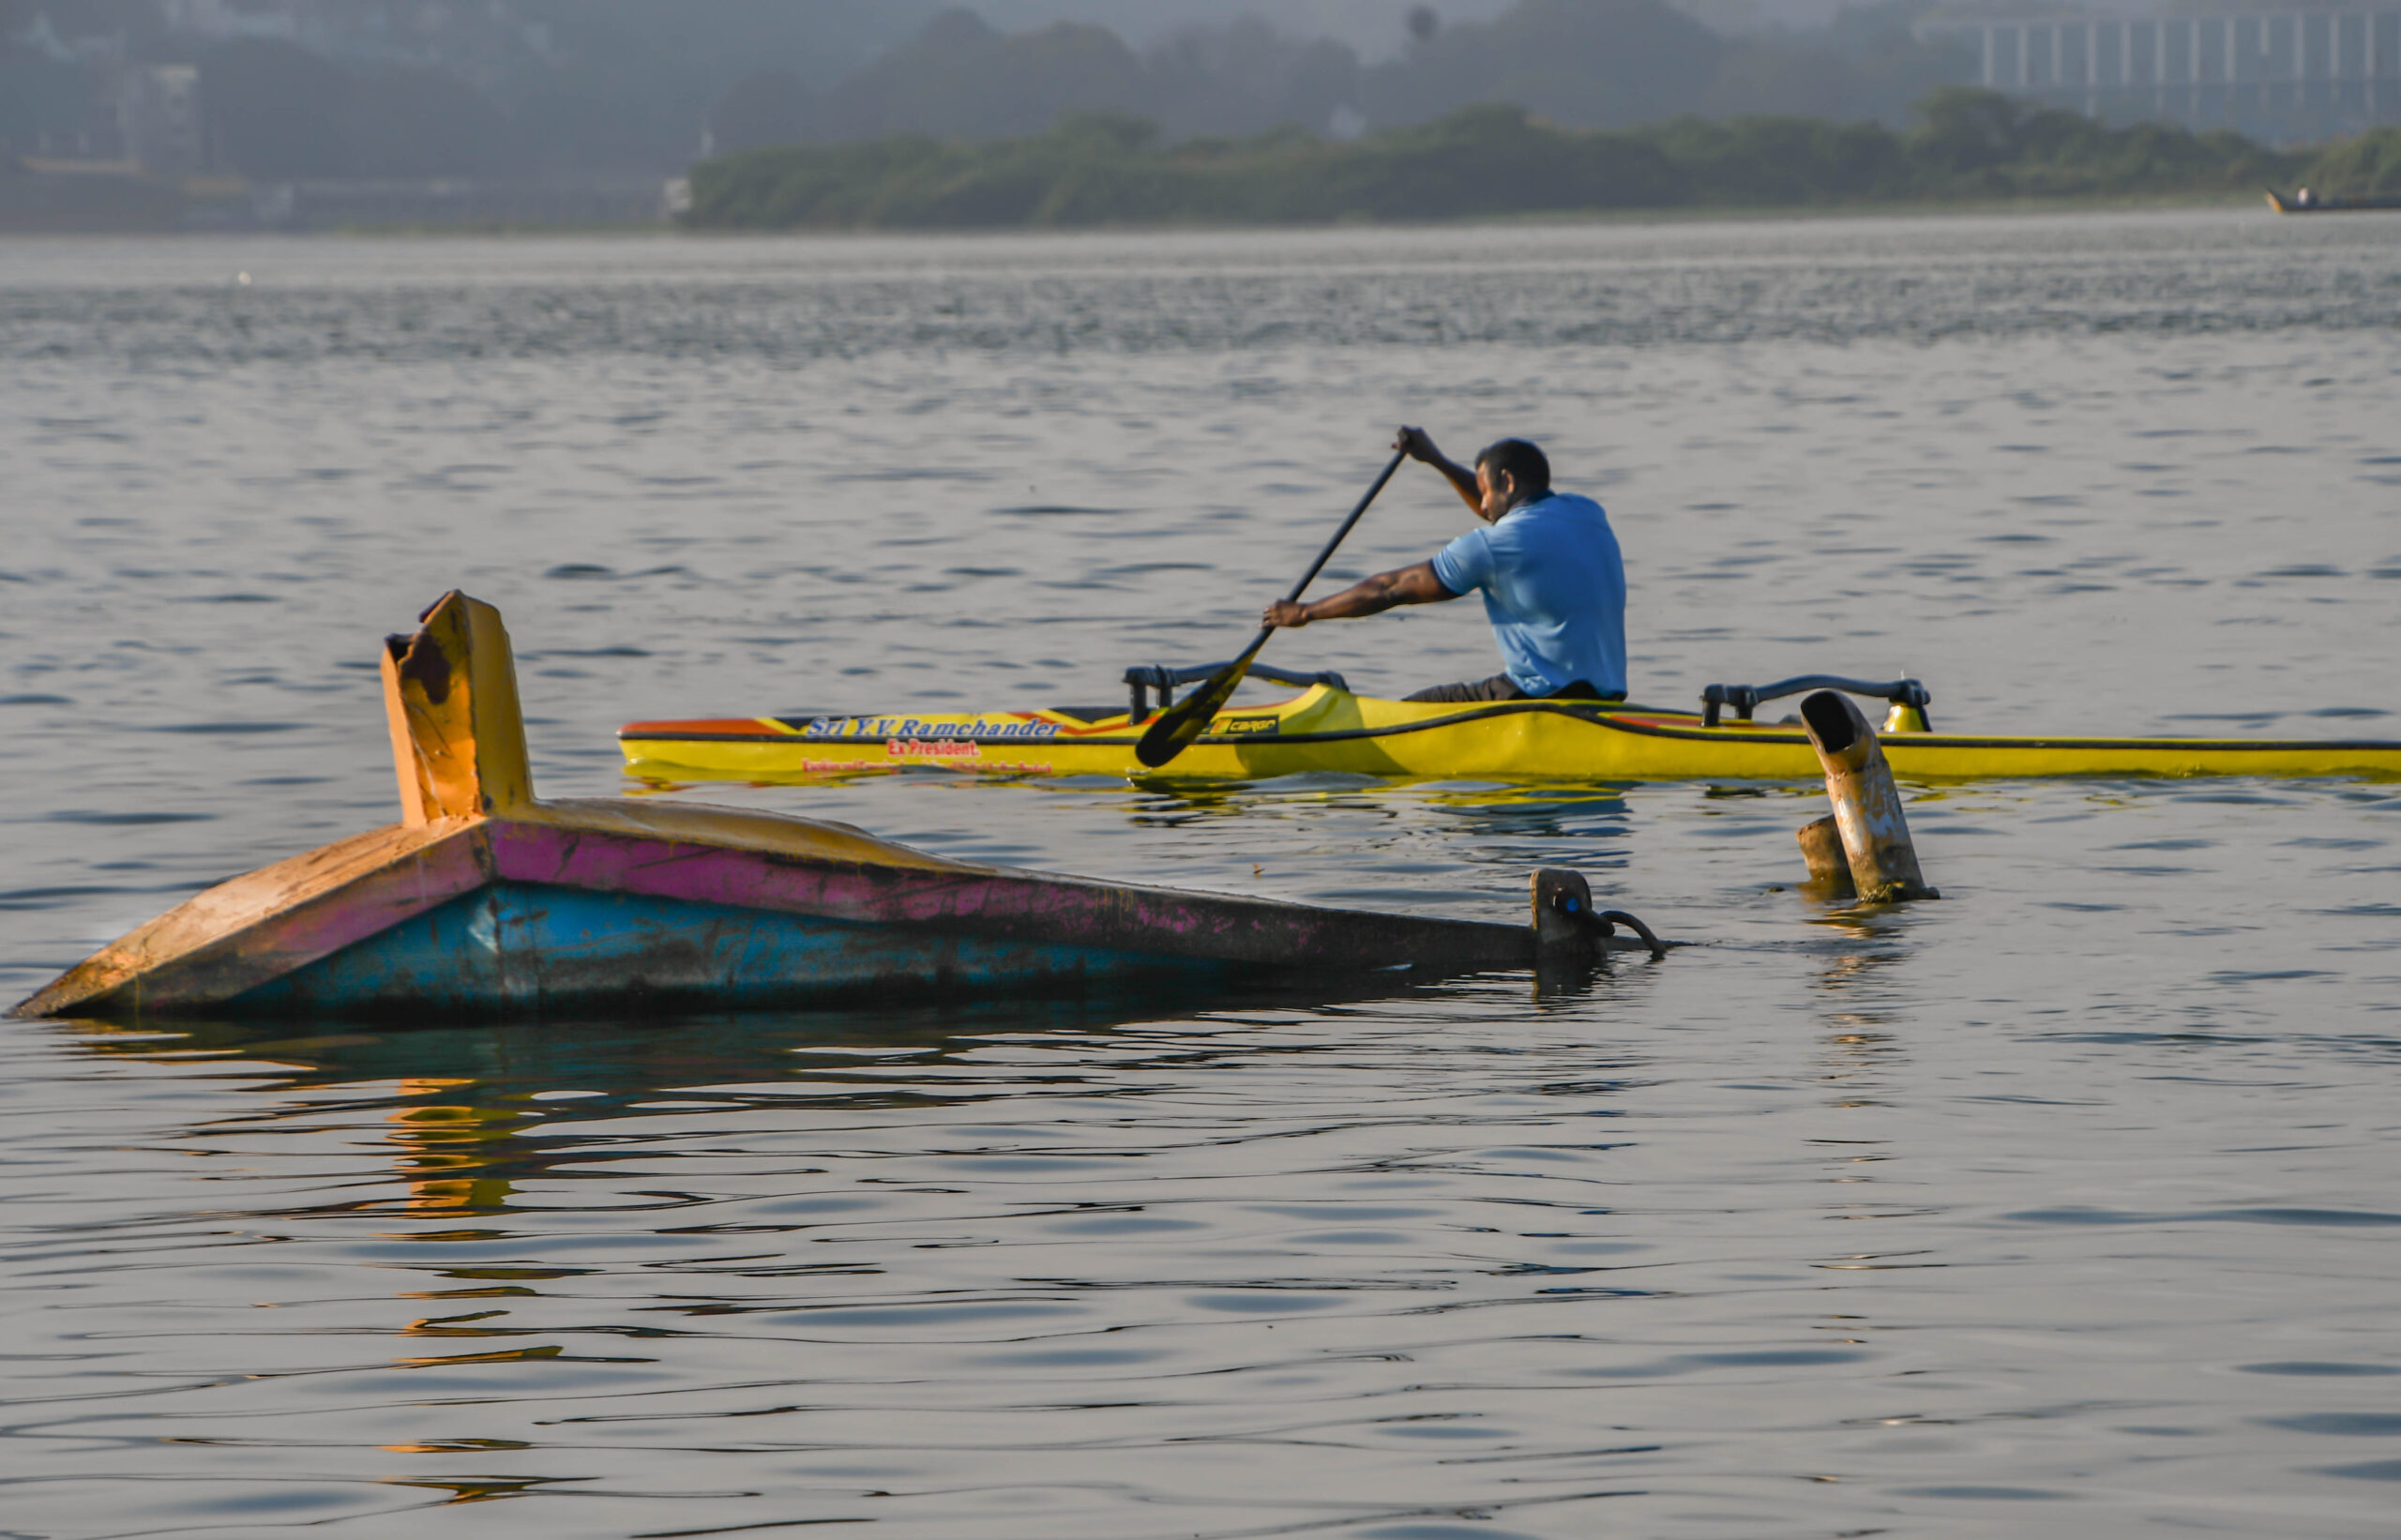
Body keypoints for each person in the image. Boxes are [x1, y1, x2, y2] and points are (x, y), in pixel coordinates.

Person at [1261, 427, 1626, 703]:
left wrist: (1306, 612)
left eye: (1484, 492)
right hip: (1605, 697)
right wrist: (1436, 460)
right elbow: (1504, 513)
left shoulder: (1492, 546)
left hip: (1536, 699)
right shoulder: (1586, 512)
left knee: (1404, 716)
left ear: (1507, 481)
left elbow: (1390, 589)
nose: (1481, 506)